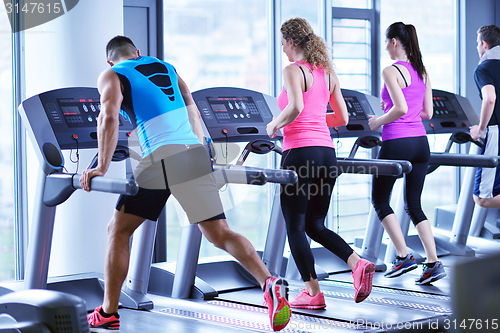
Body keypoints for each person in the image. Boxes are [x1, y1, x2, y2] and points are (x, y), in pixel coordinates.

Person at [81, 36, 291, 331]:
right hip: (193, 153)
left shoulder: (112, 74)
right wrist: (205, 147)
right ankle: (268, 281)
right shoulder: (166, 67)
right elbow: (192, 107)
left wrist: (100, 166)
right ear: (138, 53)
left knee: (118, 230)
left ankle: (108, 312)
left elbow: (109, 117)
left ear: (110, 60)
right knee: (220, 232)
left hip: (160, 157)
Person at [266, 17, 375, 309]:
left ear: (291, 42)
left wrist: (274, 125)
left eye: (283, 45)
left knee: (295, 226)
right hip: (327, 154)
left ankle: (312, 292)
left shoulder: (293, 70)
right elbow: (341, 119)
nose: (283, 51)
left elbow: (296, 107)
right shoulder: (327, 73)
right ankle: (357, 263)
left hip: (299, 153)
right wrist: (314, 119)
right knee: (315, 223)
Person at [368, 22, 446, 285]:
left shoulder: (390, 71)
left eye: (387, 43)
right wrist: (390, 106)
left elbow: (400, 108)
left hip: (397, 141)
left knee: (379, 199)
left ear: (394, 42)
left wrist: (379, 120)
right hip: (420, 144)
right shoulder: (422, 71)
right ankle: (433, 262)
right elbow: (427, 114)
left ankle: (403, 255)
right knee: (413, 204)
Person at [470, 25, 500, 209]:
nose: (477, 48)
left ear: (484, 44)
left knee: (482, 198)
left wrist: (481, 129)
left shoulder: (483, 68)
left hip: (496, 132)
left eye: (477, 44)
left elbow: (490, 99)